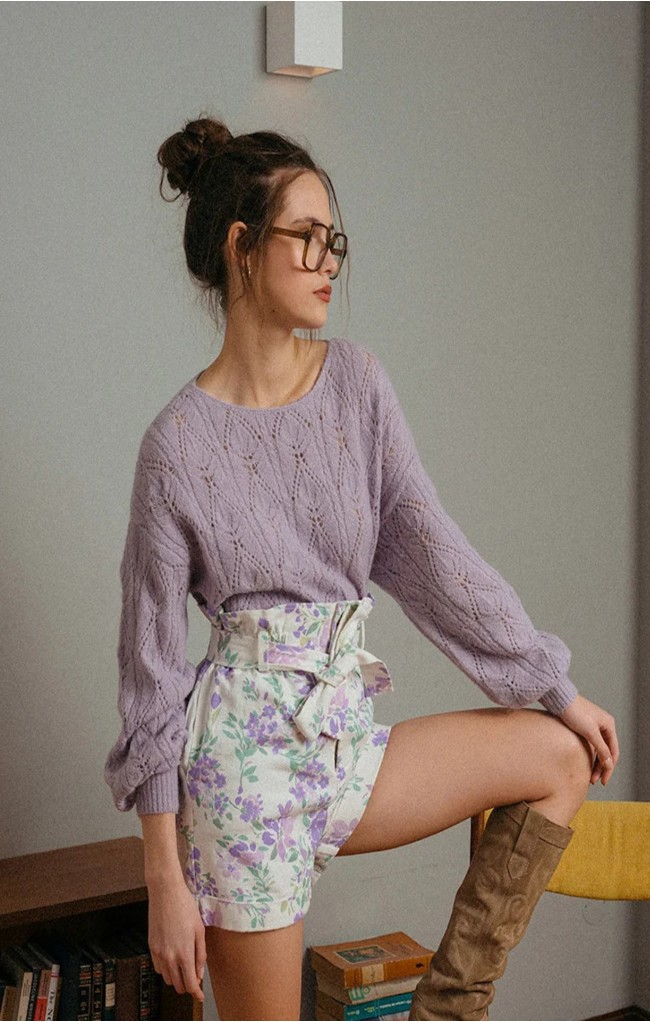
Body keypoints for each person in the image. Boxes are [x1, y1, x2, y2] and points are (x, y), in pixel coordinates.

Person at [104, 116, 619, 1022]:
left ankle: (444, 1013)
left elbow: (436, 561)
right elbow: (149, 675)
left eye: (334, 240)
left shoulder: (357, 386)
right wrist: (165, 881)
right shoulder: (175, 448)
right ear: (241, 247)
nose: (329, 261)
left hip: (346, 744)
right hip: (242, 779)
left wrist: (552, 685)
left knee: (558, 755)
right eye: (307, 237)